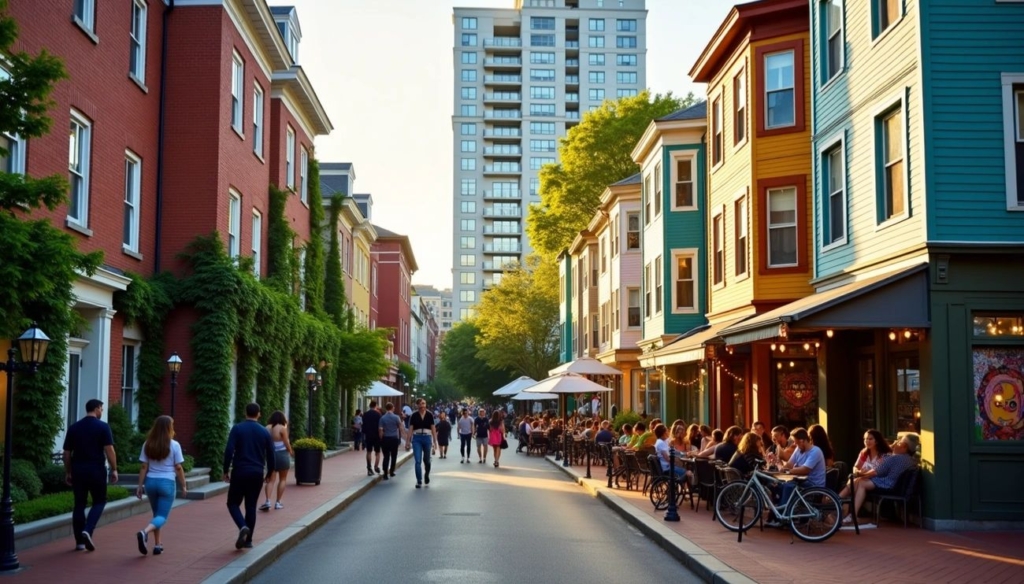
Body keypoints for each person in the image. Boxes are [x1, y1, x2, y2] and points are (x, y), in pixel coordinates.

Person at [63, 399, 118, 552]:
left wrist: (68, 472)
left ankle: (79, 542)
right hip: (96, 469)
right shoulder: (103, 427)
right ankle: (88, 529)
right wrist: (114, 469)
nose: (102, 411)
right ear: (97, 408)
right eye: (101, 408)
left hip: (78, 470)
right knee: (99, 501)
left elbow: (67, 453)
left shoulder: (74, 428)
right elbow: (109, 450)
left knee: (79, 505)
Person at [222, 403, 275, 549]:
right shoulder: (264, 432)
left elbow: (229, 450)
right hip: (257, 472)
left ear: (245, 412)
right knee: (251, 505)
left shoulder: (237, 428)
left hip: (240, 471)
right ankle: (248, 540)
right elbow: (271, 454)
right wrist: (270, 473)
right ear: (259, 414)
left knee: (232, 503)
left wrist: (225, 469)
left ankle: (242, 526)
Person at [135, 415, 186, 555]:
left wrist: (140, 486)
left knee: (156, 514)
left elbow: (144, 467)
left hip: (151, 482)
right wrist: (184, 485)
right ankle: (144, 532)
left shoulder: (148, 444)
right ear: (169, 428)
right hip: (167, 483)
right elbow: (178, 467)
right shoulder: (174, 445)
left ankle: (158, 545)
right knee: (162, 516)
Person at [844, 433, 920, 526]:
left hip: (888, 485)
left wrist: (860, 474)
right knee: (859, 482)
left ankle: (849, 512)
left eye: (899, 442)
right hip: (896, 486)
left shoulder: (895, 458)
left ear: (904, 447)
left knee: (861, 482)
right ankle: (849, 512)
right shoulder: (911, 460)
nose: (896, 443)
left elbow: (876, 472)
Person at [767, 427, 826, 528]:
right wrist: (777, 461)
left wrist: (788, 471)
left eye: (796, 442)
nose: (794, 444)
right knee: (776, 485)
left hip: (813, 484)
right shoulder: (799, 449)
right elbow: (789, 464)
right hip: (801, 481)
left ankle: (784, 517)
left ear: (802, 441)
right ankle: (779, 513)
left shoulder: (815, 451)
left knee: (788, 487)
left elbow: (805, 470)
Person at [260, 411, 293, 511]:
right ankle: (278, 502)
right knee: (282, 479)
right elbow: (286, 443)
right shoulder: (282, 428)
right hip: (282, 454)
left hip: (271, 455)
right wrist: (291, 451)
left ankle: (267, 501)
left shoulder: (267, 428)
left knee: (270, 480)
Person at [406, 399, 437, 487]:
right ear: (417, 405)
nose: (422, 405)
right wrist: (407, 441)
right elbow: (410, 429)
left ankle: (426, 474)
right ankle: (419, 480)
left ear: (425, 404)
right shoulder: (414, 415)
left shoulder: (429, 414)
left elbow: (433, 429)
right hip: (417, 438)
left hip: (427, 438)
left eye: (423, 403)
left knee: (427, 460)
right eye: (420, 404)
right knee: (418, 461)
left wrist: (435, 441)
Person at [379, 403, 403, 480]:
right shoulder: (396, 417)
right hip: (394, 438)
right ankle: (392, 471)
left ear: (386, 408)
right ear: (392, 408)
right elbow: (400, 427)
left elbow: (380, 430)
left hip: (385, 438)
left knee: (386, 456)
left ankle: (385, 473)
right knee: (394, 455)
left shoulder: (382, 418)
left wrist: (381, 438)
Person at [362, 401, 382, 476]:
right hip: (376, 435)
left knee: (369, 451)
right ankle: (376, 467)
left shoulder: (365, 414)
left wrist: (365, 433)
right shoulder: (378, 414)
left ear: (369, 406)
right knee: (377, 452)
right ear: (375, 406)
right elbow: (380, 425)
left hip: (368, 435)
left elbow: (363, 425)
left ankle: (369, 467)